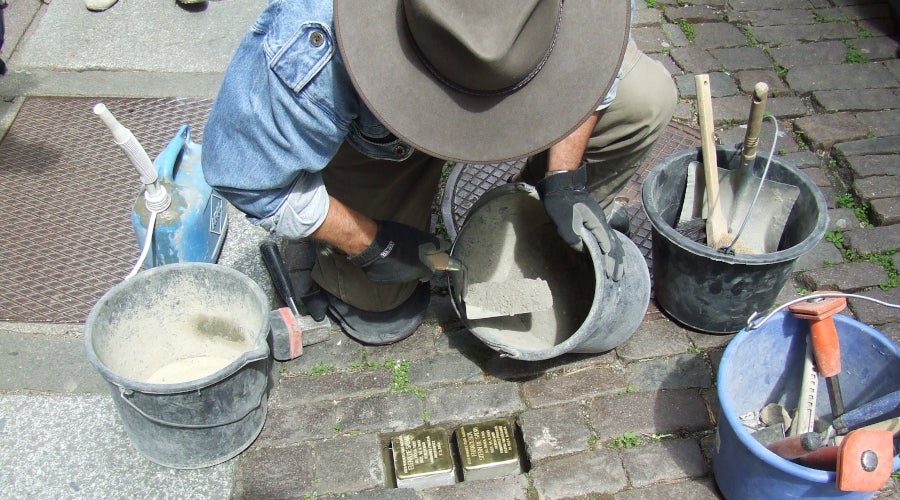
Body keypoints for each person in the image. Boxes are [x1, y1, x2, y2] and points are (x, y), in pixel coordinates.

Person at [202, 0, 676, 346]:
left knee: (644, 97)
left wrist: (565, 178)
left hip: (524, 66)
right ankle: (357, 250)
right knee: (381, 307)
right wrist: (372, 244)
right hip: (388, 127)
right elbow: (249, 180)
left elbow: (600, 57)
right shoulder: (315, 35)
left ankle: (538, 228)